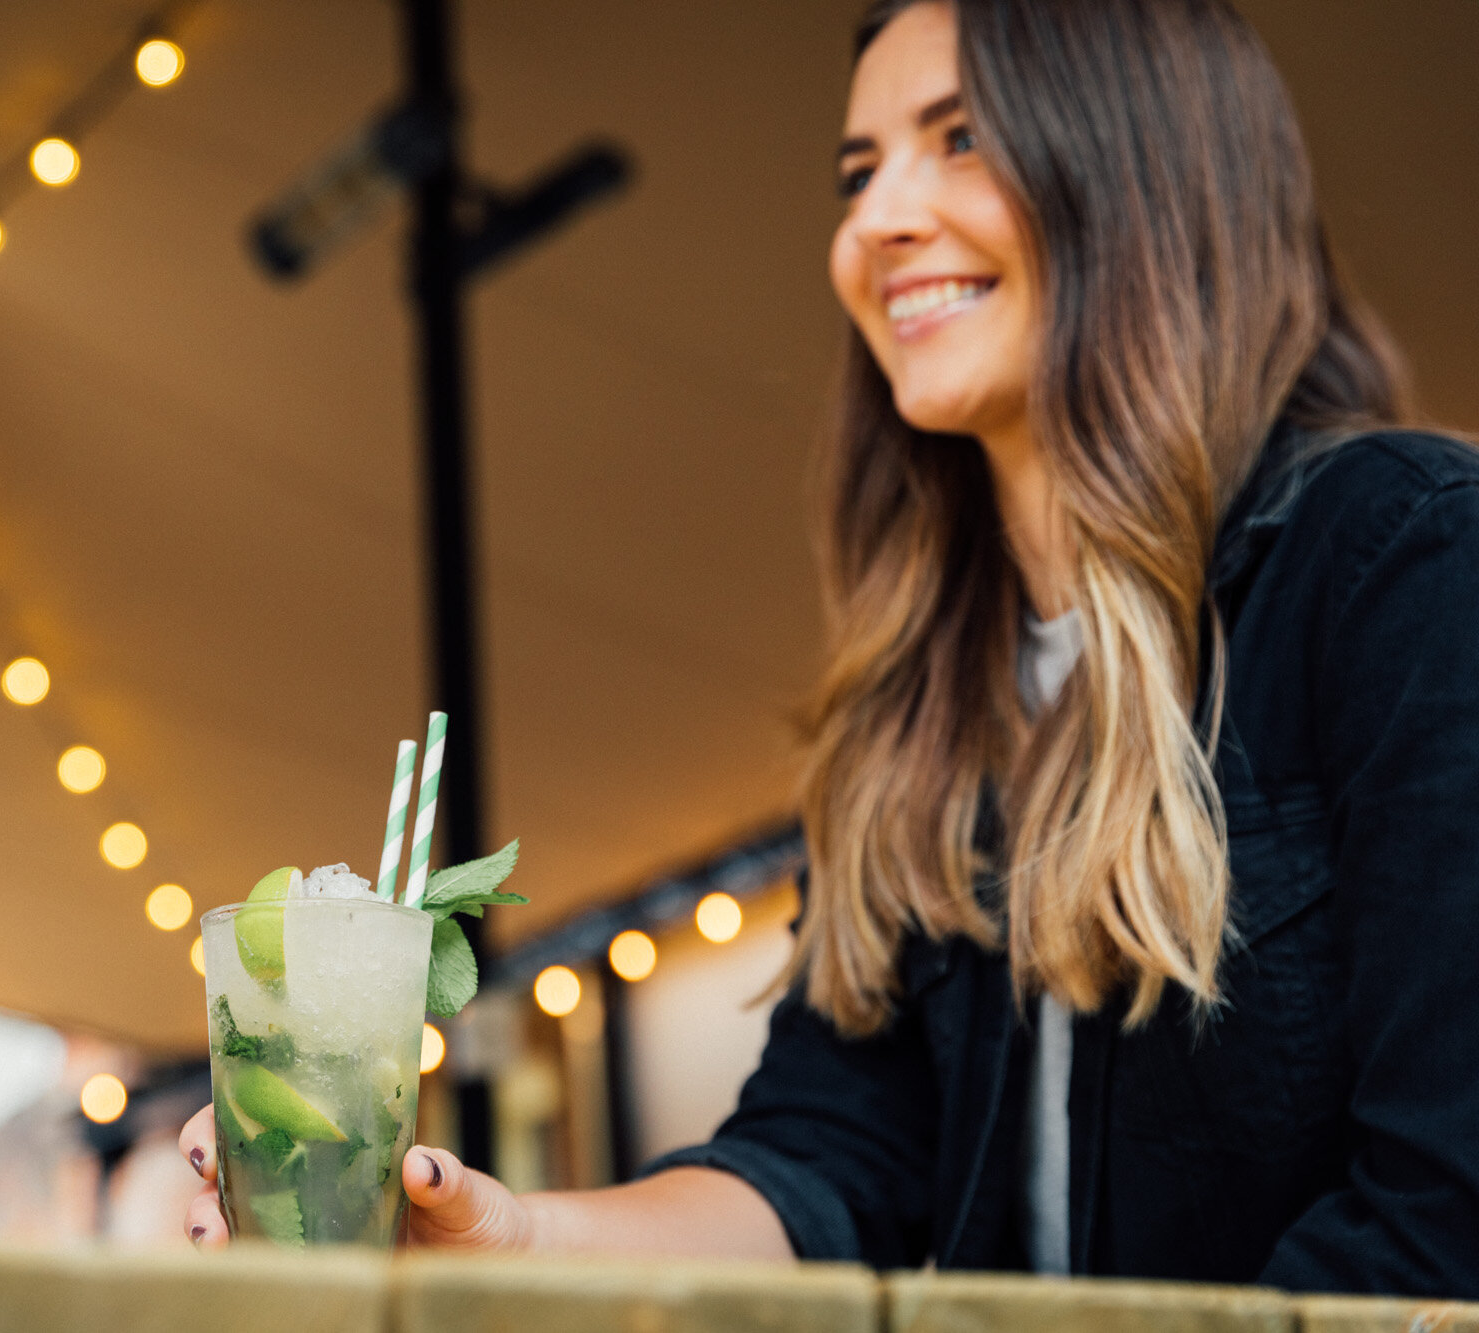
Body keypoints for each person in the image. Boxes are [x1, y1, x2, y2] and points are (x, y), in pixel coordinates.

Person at [182, 0, 1479, 1296]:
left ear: (1152, 165)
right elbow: (821, 1157)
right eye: (858, 174)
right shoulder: (922, 702)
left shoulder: (1403, 561)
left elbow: (1443, 1216)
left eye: (962, 138)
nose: (876, 222)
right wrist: (507, 1235)